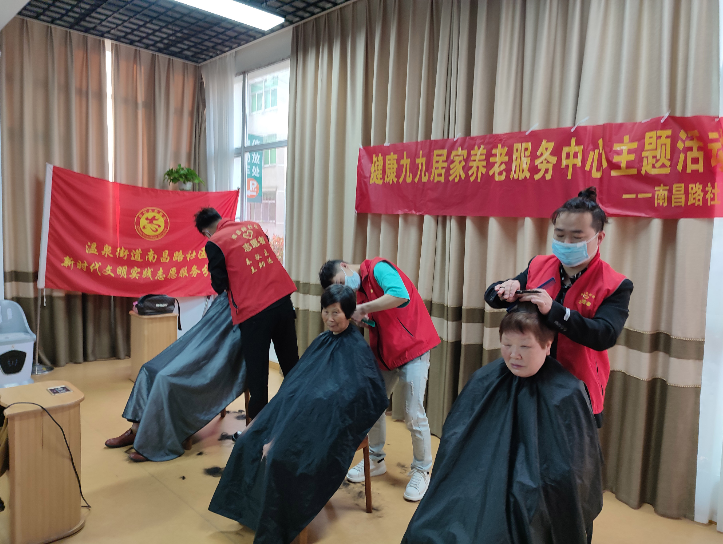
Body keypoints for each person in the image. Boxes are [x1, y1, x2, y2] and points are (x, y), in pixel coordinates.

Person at [401, 303, 603, 544]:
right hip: (477, 487)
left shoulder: (567, 394)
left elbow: (574, 474)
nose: (514, 355)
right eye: (507, 345)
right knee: (428, 529)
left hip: (536, 497)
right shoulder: (485, 380)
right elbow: (455, 444)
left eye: (525, 346)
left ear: (548, 345)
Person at [209, 285, 388, 543]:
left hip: (324, 425)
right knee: (247, 442)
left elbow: (359, 397)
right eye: (325, 311)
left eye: (336, 312)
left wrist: (285, 433)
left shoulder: (356, 351)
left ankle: (279, 525)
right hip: (296, 413)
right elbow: (294, 387)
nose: (329, 318)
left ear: (349, 313)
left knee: (279, 457)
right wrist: (268, 420)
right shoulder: (323, 340)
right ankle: (247, 511)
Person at [484, 187, 633, 426]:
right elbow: (493, 296)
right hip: (531, 379)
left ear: (599, 238)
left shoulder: (615, 285)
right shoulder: (539, 265)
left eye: (576, 237)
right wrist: (506, 290)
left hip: (577, 385)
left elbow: (604, 335)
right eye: (560, 235)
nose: (566, 243)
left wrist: (555, 311)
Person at [319, 257, 440, 501]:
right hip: (386, 353)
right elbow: (380, 321)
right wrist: (365, 320)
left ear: (345, 267)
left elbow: (400, 295)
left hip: (414, 348)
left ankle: (422, 470)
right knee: (372, 404)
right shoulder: (357, 293)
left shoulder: (378, 268)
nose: (344, 288)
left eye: (341, 282)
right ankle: (375, 459)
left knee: (413, 412)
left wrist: (364, 308)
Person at [104, 293, 247, 462]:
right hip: (202, 349)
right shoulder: (224, 298)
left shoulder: (249, 306)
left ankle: (159, 441)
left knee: (165, 378)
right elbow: (200, 336)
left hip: (219, 361)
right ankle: (136, 430)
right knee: (149, 369)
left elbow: (227, 352)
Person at [194, 208, 299, 421]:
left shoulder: (215, 242)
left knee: (258, 377)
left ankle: (257, 430)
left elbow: (219, 284)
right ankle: (298, 419)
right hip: (282, 302)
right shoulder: (253, 227)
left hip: (254, 313)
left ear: (206, 232)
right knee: (292, 367)